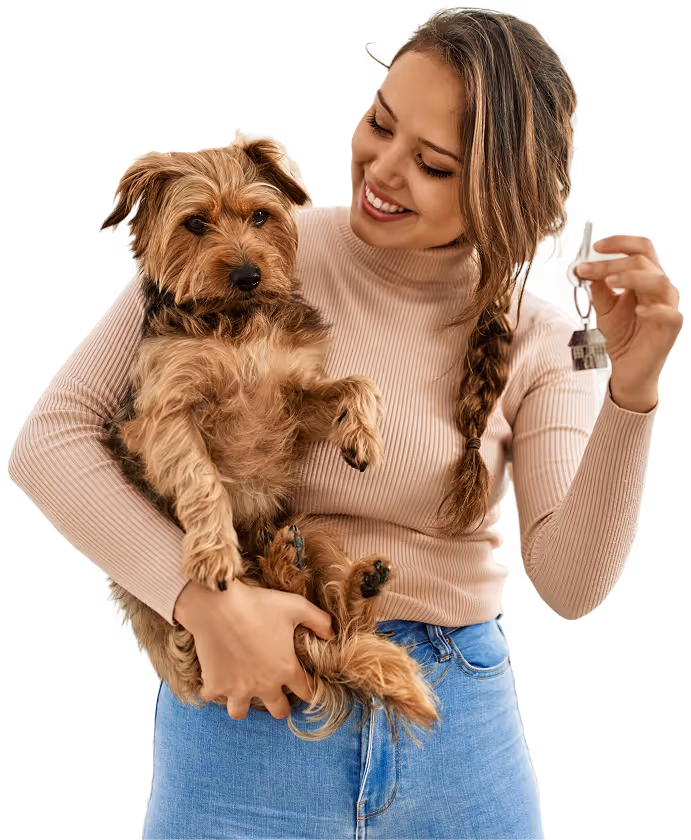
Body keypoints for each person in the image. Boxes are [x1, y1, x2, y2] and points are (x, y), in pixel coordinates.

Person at [8, 7, 681, 839]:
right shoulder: (254, 251)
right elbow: (49, 440)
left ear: (502, 191)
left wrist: (631, 391)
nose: (381, 170)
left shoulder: (551, 333)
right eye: (379, 122)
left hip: (455, 728)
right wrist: (198, 602)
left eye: (432, 165)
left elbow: (573, 590)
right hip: (242, 712)